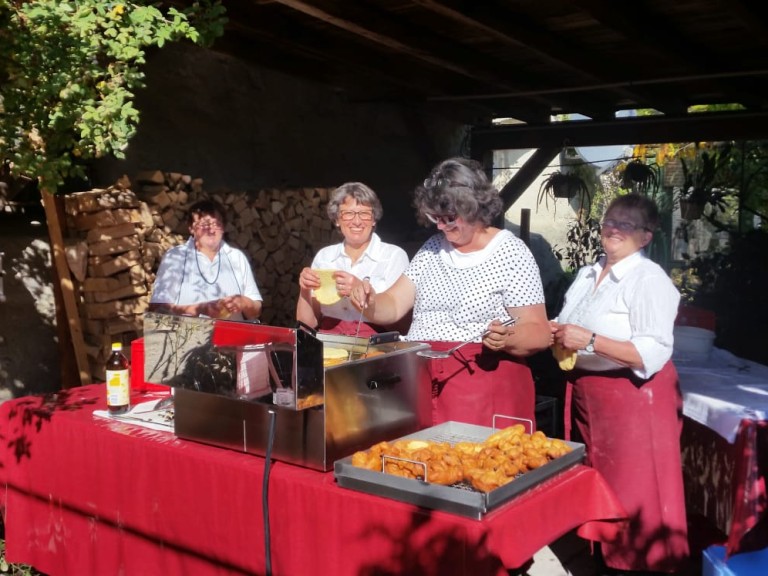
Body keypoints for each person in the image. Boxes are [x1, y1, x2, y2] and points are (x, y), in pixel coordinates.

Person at [351, 157, 551, 427]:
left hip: (481, 386)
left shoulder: (510, 252)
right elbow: (395, 304)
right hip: (423, 381)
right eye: (436, 218)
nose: (441, 226)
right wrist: (369, 299)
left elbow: (538, 330)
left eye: (450, 218)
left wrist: (507, 337)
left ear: (475, 208)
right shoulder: (433, 247)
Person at [550, 193, 688, 573]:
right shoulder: (587, 274)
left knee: (636, 492)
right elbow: (571, 326)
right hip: (589, 394)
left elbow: (653, 350)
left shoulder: (649, 279)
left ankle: (640, 566)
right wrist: (555, 331)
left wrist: (591, 341)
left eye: (626, 225)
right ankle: (604, 561)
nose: (613, 229)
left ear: (646, 236)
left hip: (633, 397)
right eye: (610, 221)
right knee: (601, 484)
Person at [296, 182, 409, 337]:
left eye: (364, 214)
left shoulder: (393, 256)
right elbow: (307, 324)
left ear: (374, 219)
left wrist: (363, 296)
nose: (357, 222)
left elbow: (403, 325)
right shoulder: (324, 257)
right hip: (329, 343)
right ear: (337, 219)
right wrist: (304, 290)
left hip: (376, 345)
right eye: (348, 214)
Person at [149, 199, 262, 321]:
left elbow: (256, 311)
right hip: (188, 338)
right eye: (204, 225)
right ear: (191, 228)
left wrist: (243, 302)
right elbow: (158, 308)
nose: (211, 230)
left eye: (216, 224)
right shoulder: (176, 257)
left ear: (223, 227)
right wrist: (200, 309)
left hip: (233, 338)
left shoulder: (236, 257)